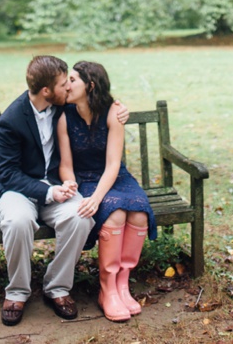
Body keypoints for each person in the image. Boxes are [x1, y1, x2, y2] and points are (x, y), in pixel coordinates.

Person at [0, 55, 128, 325]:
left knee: (81, 217)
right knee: (18, 221)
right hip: (18, 191)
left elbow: (97, 102)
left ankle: (57, 288)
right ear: (46, 91)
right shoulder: (9, 121)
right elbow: (8, 175)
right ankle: (17, 292)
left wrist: (122, 108)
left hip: (57, 186)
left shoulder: (62, 108)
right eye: (64, 84)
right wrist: (49, 193)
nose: (68, 88)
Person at [57, 60, 156, 322]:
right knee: (115, 216)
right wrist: (74, 189)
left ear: (90, 86)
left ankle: (123, 285)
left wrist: (97, 198)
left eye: (73, 80)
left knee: (138, 215)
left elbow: (113, 164)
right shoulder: (64, 116)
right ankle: (107, 290)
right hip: (84, 180)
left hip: (115, 177)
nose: (67, 85)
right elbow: (66, 165)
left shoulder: (113, 112)